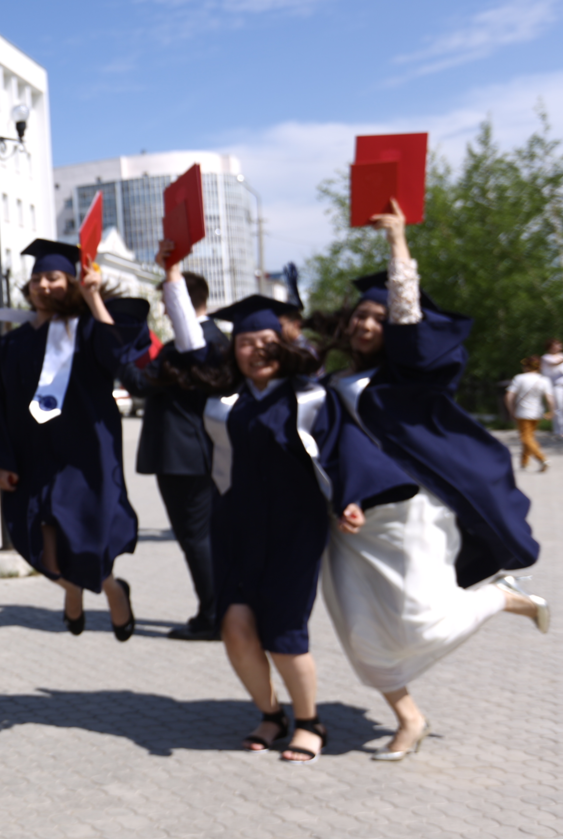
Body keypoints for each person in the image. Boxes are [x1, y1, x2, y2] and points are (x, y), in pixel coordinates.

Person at [317, 200, 549, 762]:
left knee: (418, 619)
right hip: (352, 519)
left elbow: (410, 323)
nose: (368, 324)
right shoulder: (336, 378)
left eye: (379, 317)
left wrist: (398, 243)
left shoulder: (407, 377)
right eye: (360, 317)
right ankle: (409, 718)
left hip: (414, 510)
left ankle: (496, 598)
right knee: (357, 626)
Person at [201, 294, 417, 764]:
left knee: (283, 631)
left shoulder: (312, 399)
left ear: (283, 345)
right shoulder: (223, 403)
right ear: (232, 350)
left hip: (293, 531)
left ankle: (309, 722)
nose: (256, 350)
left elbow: (344, 453)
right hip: (235, 529)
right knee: (235, 627)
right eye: (244, 342)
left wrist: (351, 499)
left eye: (266, 340)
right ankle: (270, 715)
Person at [0, 239, 147, 641]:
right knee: (46, 556)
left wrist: (93, 297)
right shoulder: (8, 345)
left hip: (85, 455)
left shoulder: (84, 330)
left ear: (71, 282)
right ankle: (78, 592)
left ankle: (112, 590)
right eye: (36, 279)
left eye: (53, 277)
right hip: (32, 458)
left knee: (87, 536)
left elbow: (118, 357)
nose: (43, 286)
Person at [121, 257, 230, 641]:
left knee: (195, 538)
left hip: (184, 457)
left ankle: (215, 616)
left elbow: (138, 383)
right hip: (197, 454)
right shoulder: (215, 338)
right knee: (202, 537)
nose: (165, 309)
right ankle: (218, 611)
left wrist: (122, 346)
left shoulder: (193, 346)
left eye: (168, 302)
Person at [507, 357, 553, 472]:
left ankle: (542, 459)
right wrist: (551, 411)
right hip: (537, 413)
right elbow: (550, 398)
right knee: (529, 437)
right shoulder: (544, 379)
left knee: (525, 438)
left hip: (522, 413)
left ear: (527, 366)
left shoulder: (519, 378)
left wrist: (511, 409)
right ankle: (524, 462)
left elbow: (509, 396)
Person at [540, 339, 563, 439]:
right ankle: (560, 432)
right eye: (555, 345)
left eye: (559, 344)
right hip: (556, 386)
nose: (558, 346)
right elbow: (556, 363)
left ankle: (561, 430)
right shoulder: (546, 357)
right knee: (559, 408)